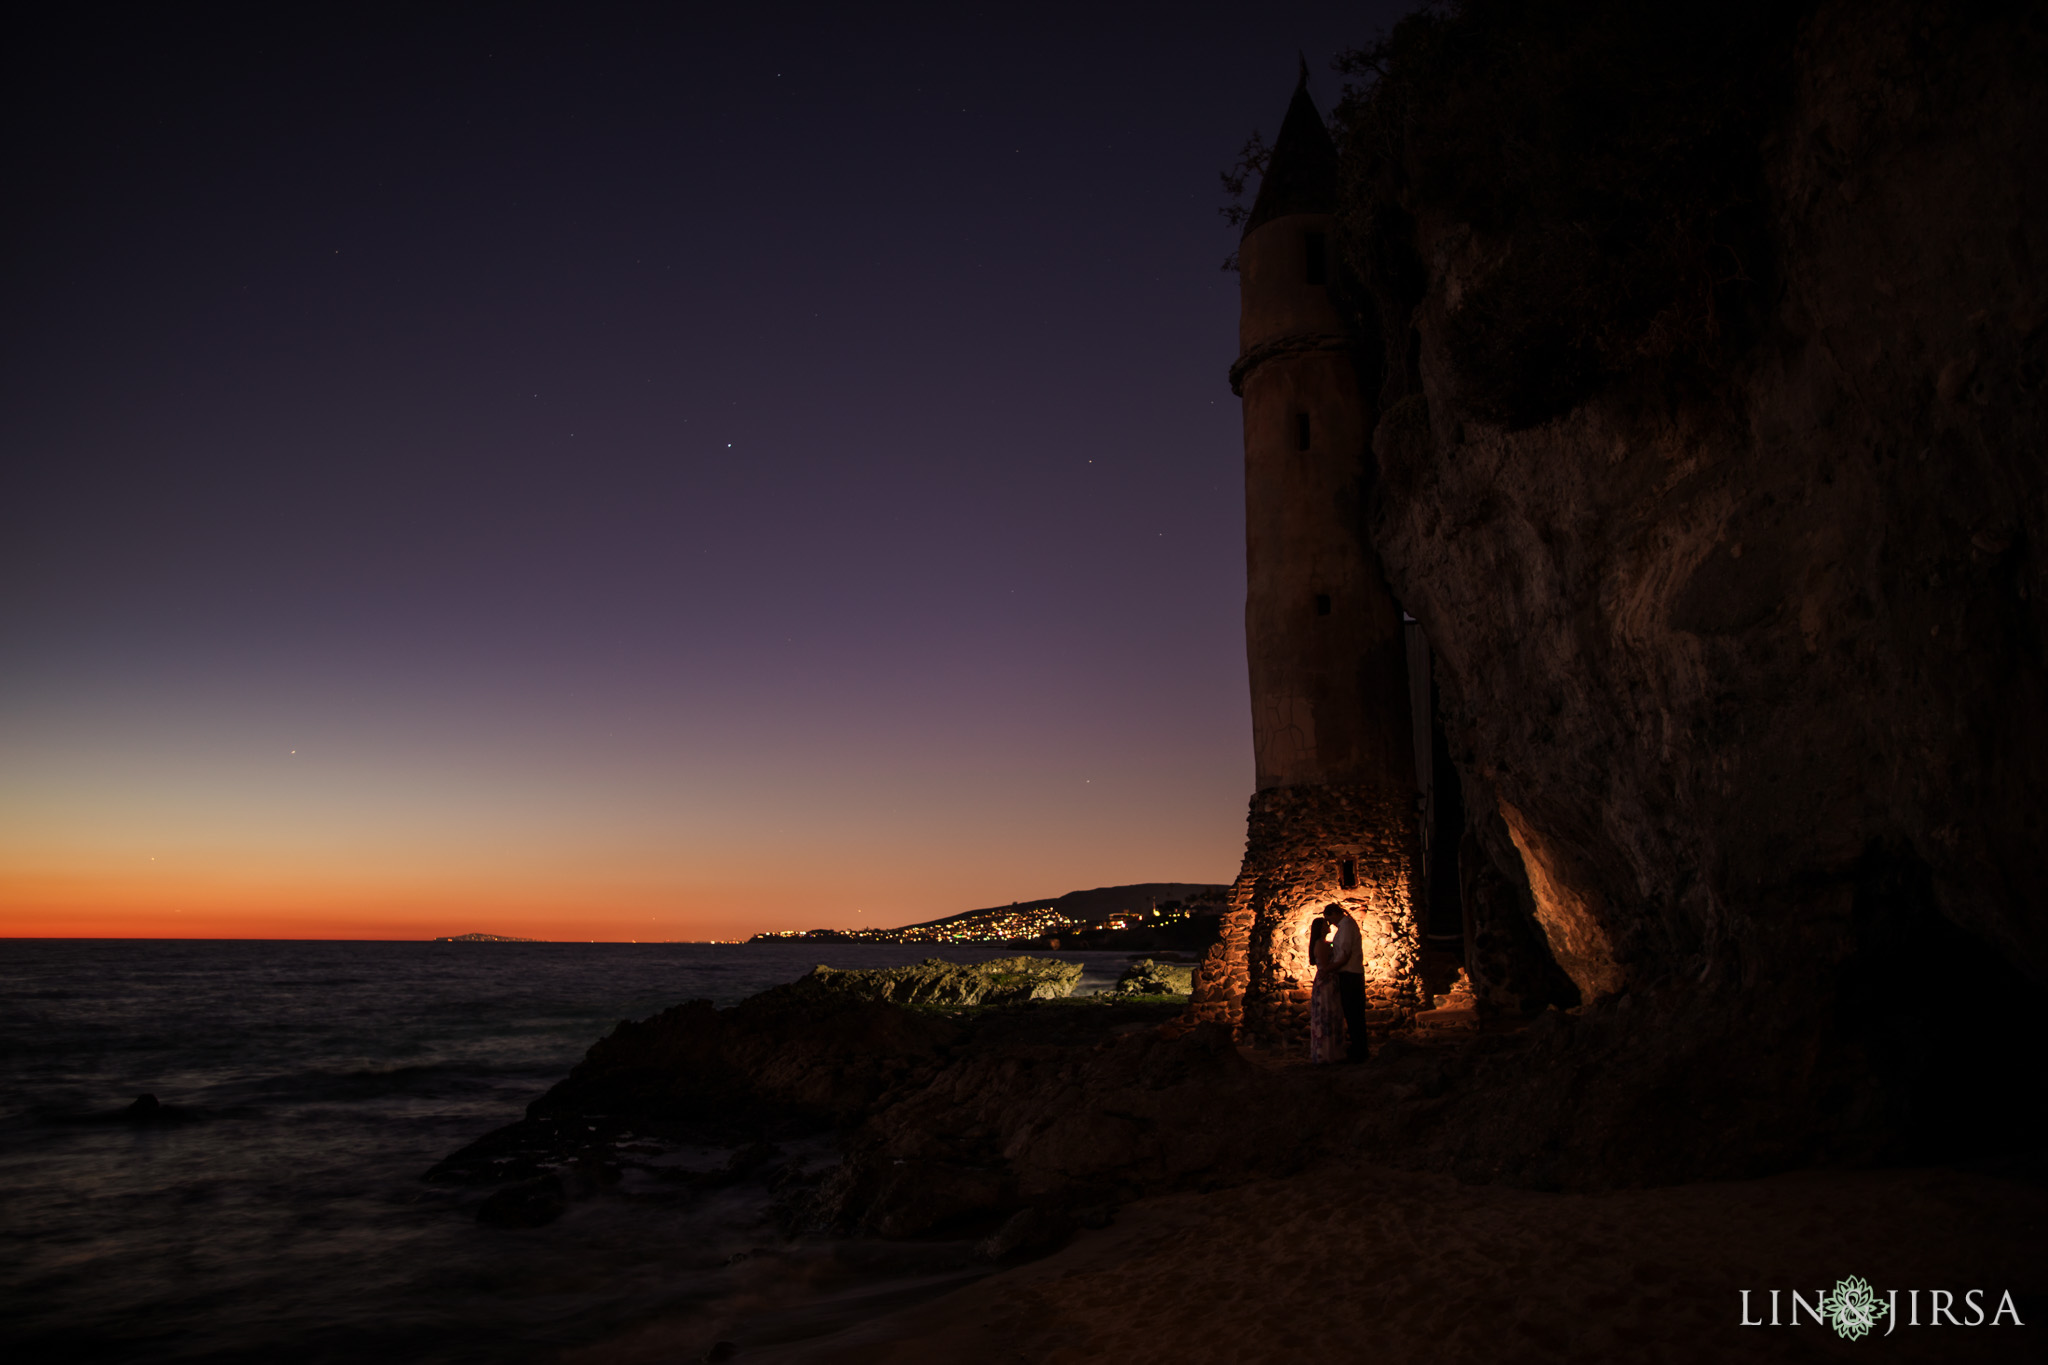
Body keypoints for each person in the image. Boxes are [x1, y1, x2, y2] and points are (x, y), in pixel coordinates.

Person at [1320, 902, 1370, 1061]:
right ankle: (1358, 1048)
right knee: (1351, 1013)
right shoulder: (1344, 927)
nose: (1330, 923)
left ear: (1334, 913)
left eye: (1329, 919)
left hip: (1351, 974)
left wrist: (1330, 968)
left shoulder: (1347, 926)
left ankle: (1360, 1051)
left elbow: (1345, 953)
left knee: (1354, 1013)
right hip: (1347, 973)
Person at [1306, 916, 1341, 1063]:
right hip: (1326, 983)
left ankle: (1332, 1052)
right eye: (1326, 924)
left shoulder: (1325, 943)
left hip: (1329, 982)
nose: (1329, 926)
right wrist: (1342, 961)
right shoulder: (1320, 944)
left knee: (1330, 1015)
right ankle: (1326, 1053)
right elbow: (1326, 967)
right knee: (1326, 1015)